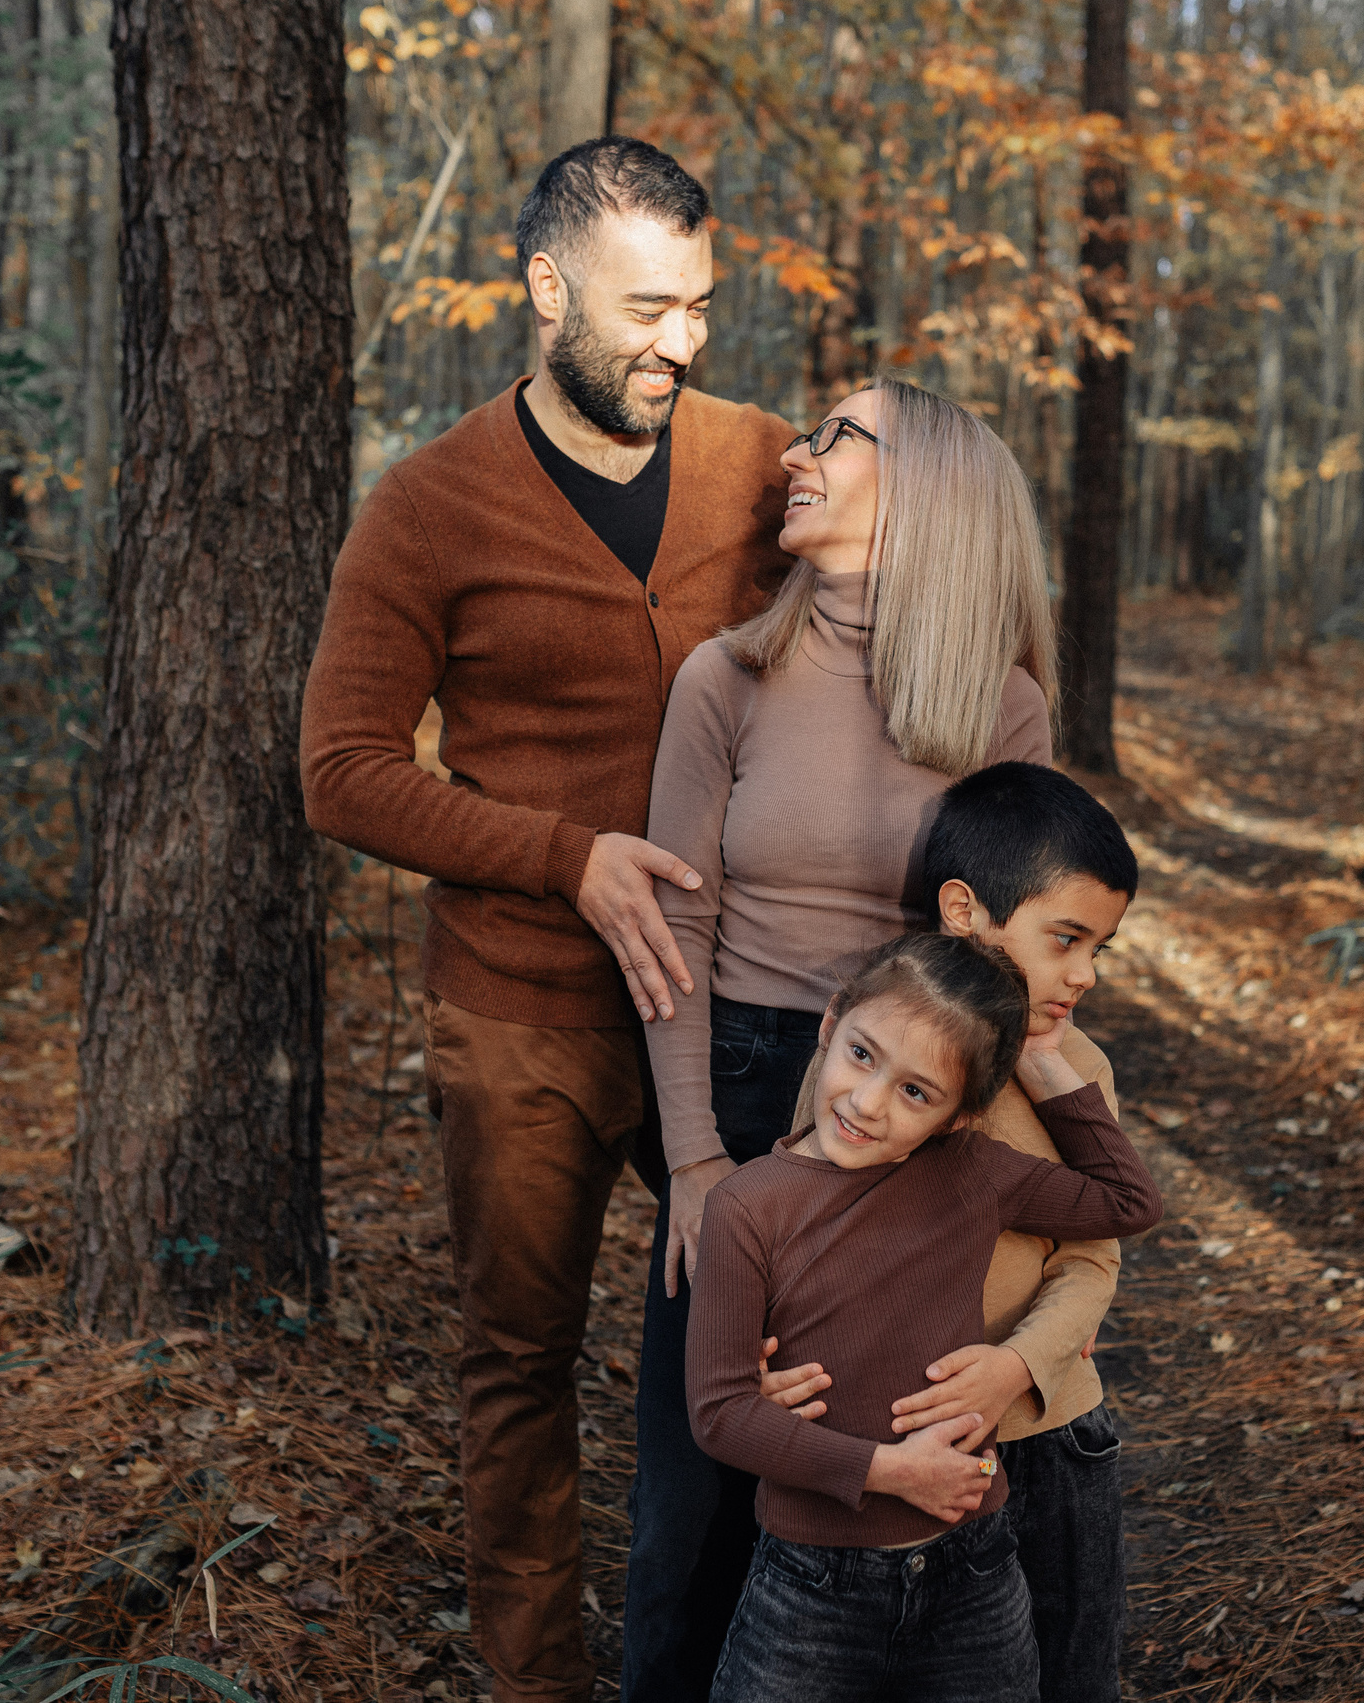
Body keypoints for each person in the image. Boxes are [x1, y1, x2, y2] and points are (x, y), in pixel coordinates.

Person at [299, 136, 794, 1702]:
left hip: (739, 1005)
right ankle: (536, 1682)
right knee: (518, 1365)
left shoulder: (761, 461)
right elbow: (342, 769)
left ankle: (754, 1655)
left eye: (701, 306)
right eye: (649, 307)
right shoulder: (429, 505)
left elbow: (885, 625)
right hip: (525, 1014)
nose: (681, 342)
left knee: (768, 1334)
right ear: (545, 289)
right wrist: (567, 852)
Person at [624, 378, 1060, 1698]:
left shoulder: (1000, 708)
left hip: (922, 1104)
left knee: (899, 1467)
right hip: (749, 1082)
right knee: (701, 1481)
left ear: (921, 488)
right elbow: (671, 939)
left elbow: (1015, 965)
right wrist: (699, 1159)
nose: (794, 454)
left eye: (835, 436)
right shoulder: (728, 674)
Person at [684, 933, 1164, 1703]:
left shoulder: (972, 1173)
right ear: (832, 1021)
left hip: (973, 1567)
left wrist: (1042, 1060)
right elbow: (720, 1413)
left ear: (960, 1116)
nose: (866, 1102)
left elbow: (1128, 1201)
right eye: (862, 1054)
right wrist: (890, 1472)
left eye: (917, 1092)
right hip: (808, 1582)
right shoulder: (746, 1206)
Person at [777, 761, 1142, 1702]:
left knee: (1068, 1671)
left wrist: (1018, 1363)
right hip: (900, 1438)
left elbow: (1097, 1254)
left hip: (1048, 1431)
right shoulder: (868, 1049)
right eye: (1066, 938)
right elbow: (799, 1215)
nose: (1086, 971)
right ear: (964, 910)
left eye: (1100, 945)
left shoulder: (1081, 1063)